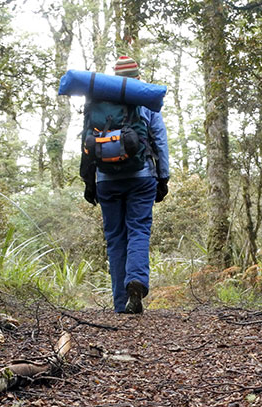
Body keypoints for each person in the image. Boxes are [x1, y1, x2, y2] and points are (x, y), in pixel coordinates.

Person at [84, 56, 169, 314]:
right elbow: (160, 141)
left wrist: (89, 181)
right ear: (137, 76)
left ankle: (121, 304)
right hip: (141, 177)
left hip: (106, 179)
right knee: (138, 229)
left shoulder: (98, 101)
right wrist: (163, 177)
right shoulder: (146, 101)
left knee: (115, 238)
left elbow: (85, 146)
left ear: (116, 76)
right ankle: (137, 281)